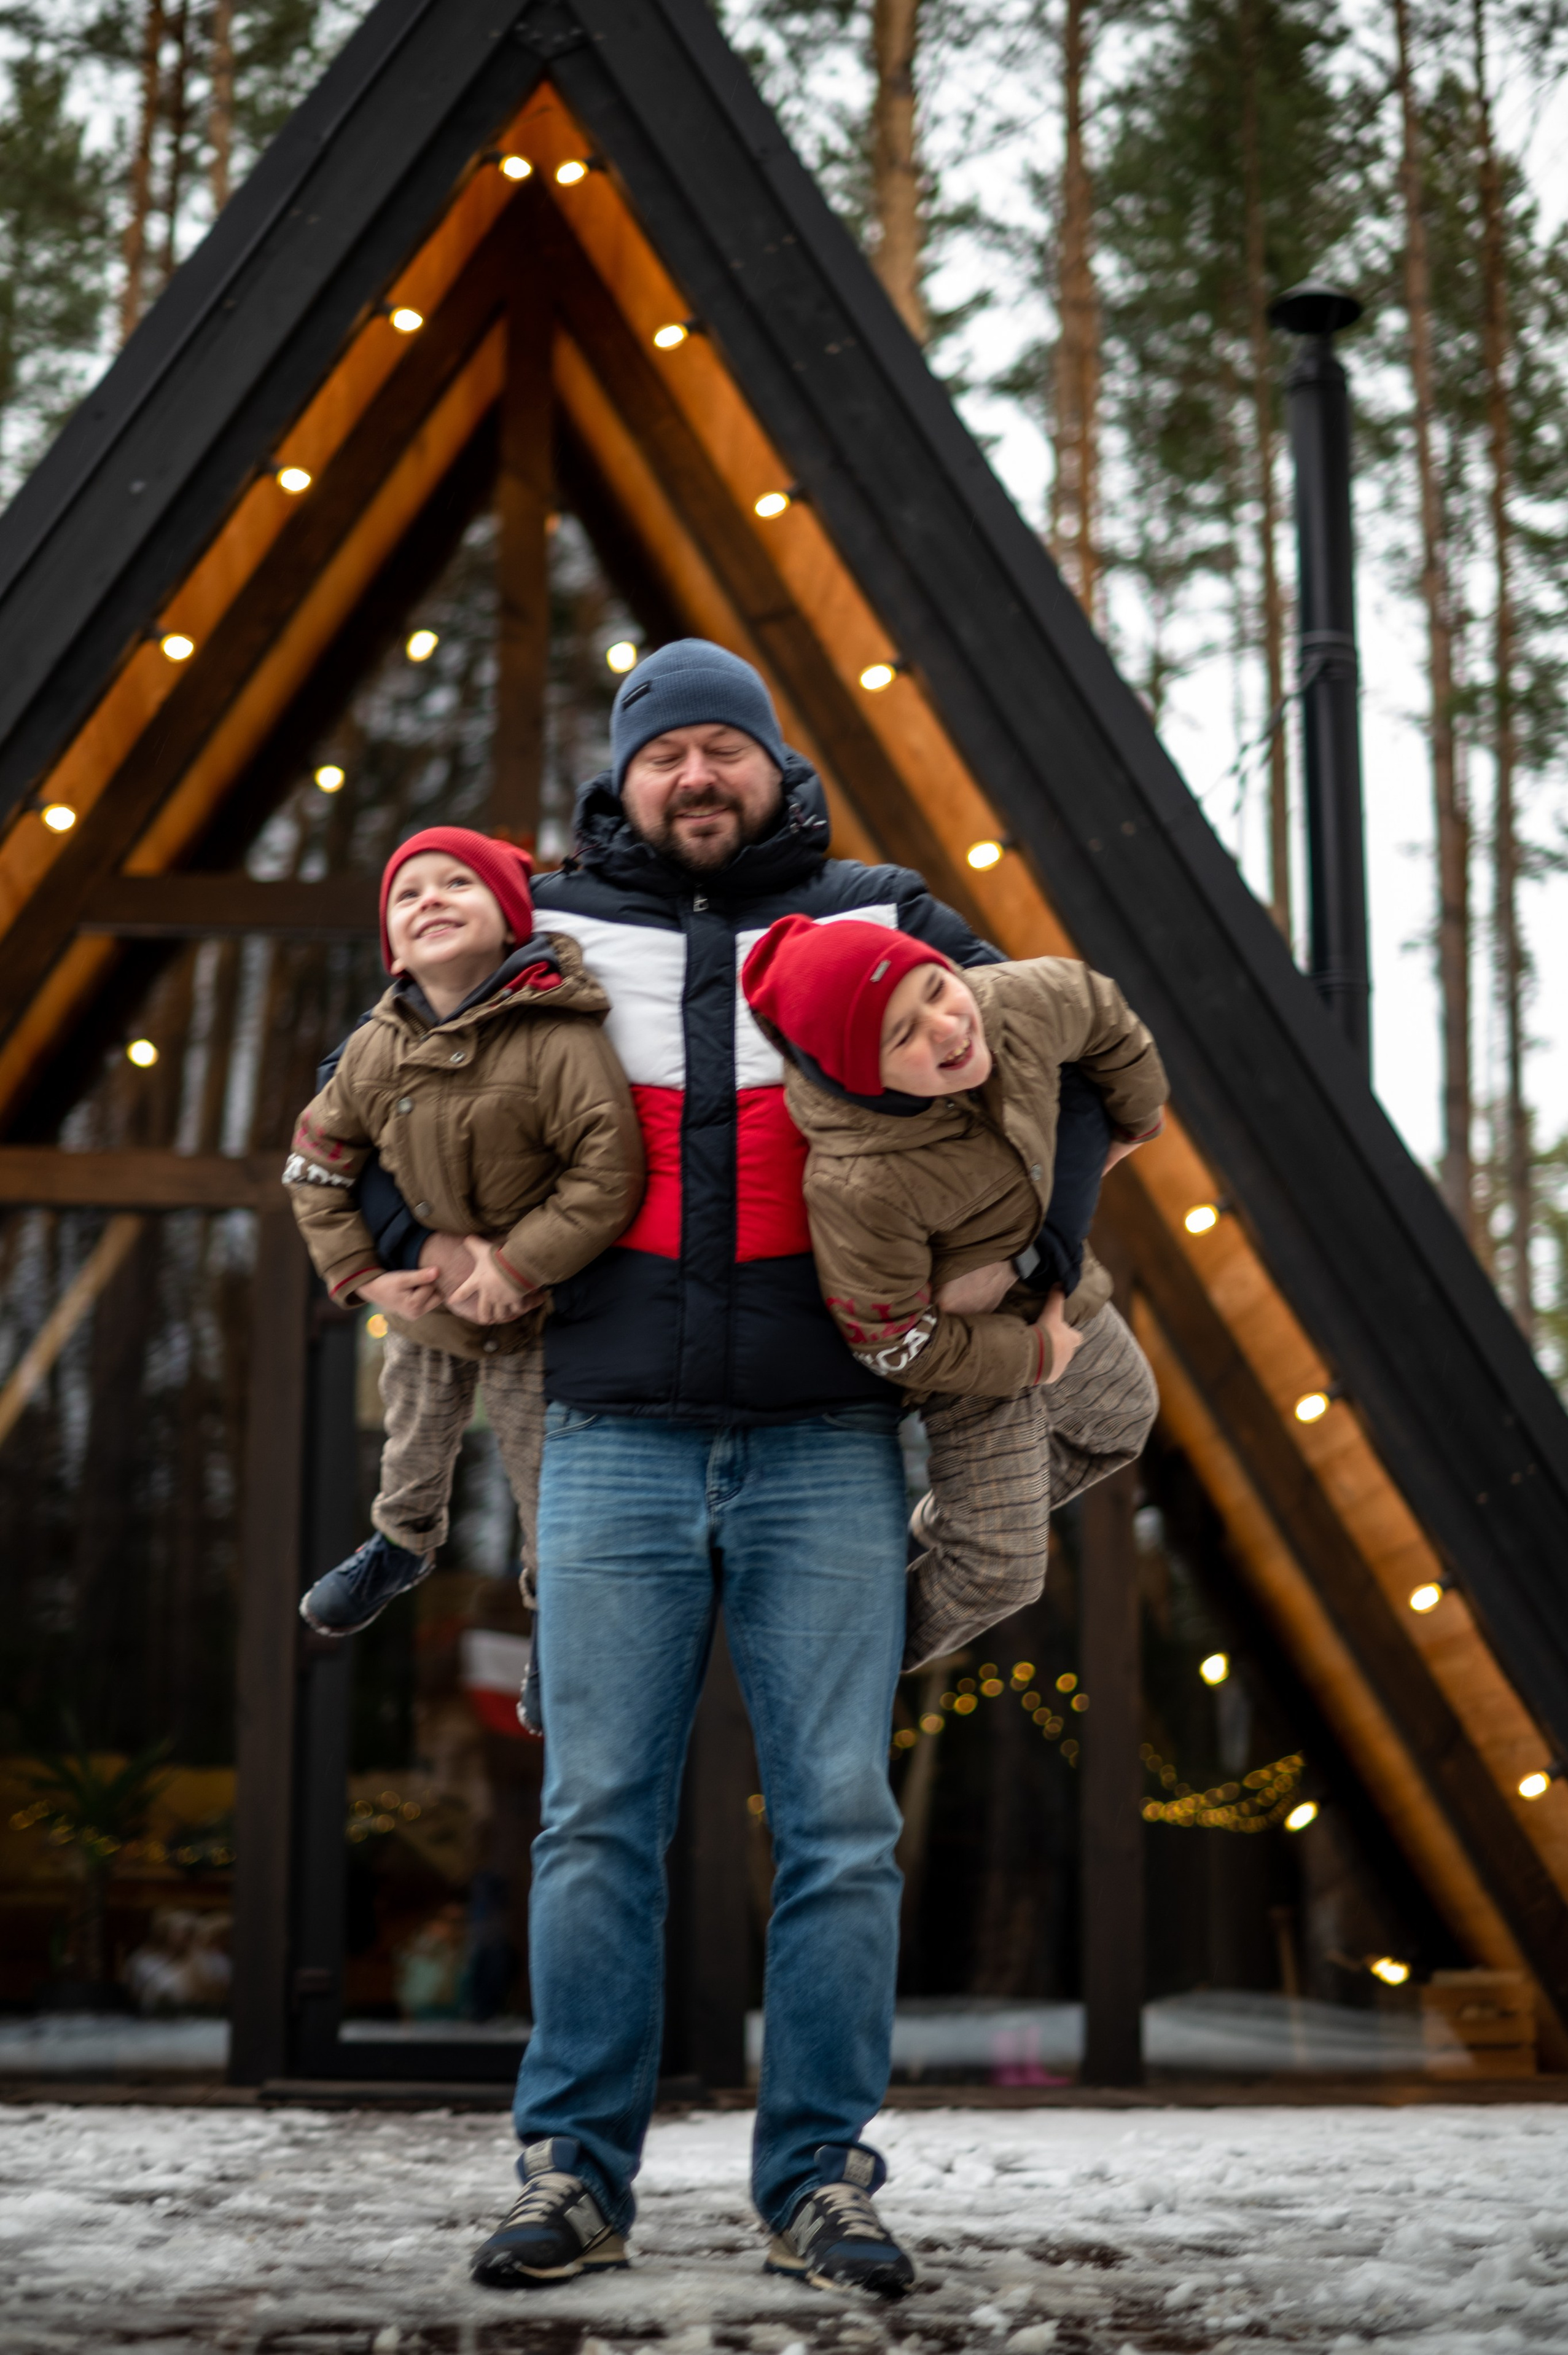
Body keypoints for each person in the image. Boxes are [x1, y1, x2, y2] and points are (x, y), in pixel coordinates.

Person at [343, 642, 1072, 2298]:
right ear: (628, 776)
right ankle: (576, 2174)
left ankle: (820, 2176)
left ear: (769, 763)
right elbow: (372, 1084)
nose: (695, 777)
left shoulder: (885, 914)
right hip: (607, 1433)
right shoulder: (531, 915)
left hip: (829, 1434)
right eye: (665, 752)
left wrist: (1052, 1251)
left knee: (838, 1821)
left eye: (721, 750)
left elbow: (1063, 1057)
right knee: (598, 1815)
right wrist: (410, 1237)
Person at [741, 912, 1166, 1667]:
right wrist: (1032, 1355)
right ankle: (838, 1669)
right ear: (857, 1076)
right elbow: (892, 1341)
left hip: (1056, 1288)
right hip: (970, 1357)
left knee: (1122, 1419)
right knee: (1001, 1570)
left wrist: (1134, 1120)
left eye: (937, 989)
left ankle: (925, 1542)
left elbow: (1103, 1012)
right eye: (902, 1035)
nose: (945, 1027)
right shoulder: (860, 1184)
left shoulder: (1015, 1000)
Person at [284, 827, 642, 1636]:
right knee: (414, 1429)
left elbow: (607, 1174)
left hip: (539, 1312)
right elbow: (316, 1164)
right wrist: (366, 1274)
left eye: (457, 884)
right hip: (429, 1300)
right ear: (394, 948)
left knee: (546, 1476)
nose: (431, 901)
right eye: (409, 896)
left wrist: (520, 1264)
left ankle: (556, 1625)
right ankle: (399, 1542)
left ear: (513, 920)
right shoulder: (375, 1050)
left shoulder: (559, 1036)